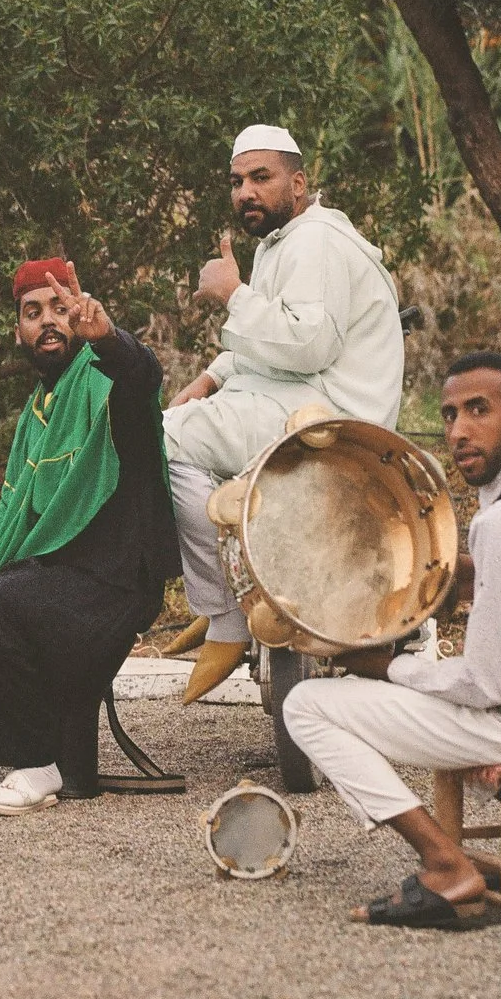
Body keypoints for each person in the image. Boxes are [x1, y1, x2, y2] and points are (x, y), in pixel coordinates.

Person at [280, 350, 501, 928]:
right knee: (436, 692)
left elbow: (492, 683)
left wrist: (384, 667)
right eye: (450, 415)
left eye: (480, 410)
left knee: (307, 706)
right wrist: (462, 575)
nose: (459, 431)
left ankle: (446, 864)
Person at [0, 261, 181, 816]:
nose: (48, 322)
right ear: (17, 329)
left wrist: (112, 341)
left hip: (110, 580)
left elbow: (143, 378)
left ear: (80, 313)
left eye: (59, 308)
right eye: (32, 312)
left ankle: (36, 765)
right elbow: (12, 507)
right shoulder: (37, 409)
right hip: (48, 573)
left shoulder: (106, 379)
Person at [165, 124, 405, 701]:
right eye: (237, 181)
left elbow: (308, 345)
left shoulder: (315, 242)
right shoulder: (288, 240)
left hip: (323, 419)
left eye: (261, 177)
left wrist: (232, 294)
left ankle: (225, 606)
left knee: (156, 440)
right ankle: (244, 586)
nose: (245, 191)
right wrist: (211, 376)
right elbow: (278, 335)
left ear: (298, 183)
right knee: (178, 432)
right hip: (297, 402)